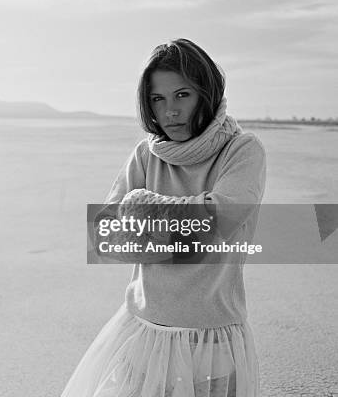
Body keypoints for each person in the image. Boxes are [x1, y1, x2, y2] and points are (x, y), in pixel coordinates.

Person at [62, 39, 266, 397]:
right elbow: (105, 235)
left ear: (208, 92)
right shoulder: (146, 154)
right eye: (158, 99)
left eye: (182, 95)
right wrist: (185, 225)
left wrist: (141, 204)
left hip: (212, 337)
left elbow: (219, 224)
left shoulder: (242, 150)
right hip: (143, 330)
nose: (169, 111)